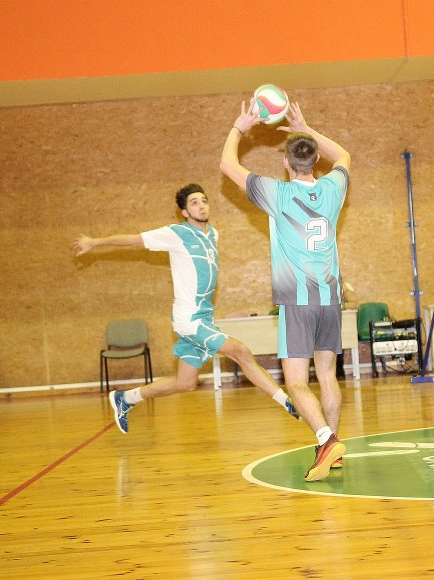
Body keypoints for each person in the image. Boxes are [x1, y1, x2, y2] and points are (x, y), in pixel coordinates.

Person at [73, 184, 299, 434]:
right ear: (184, 212)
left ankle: (126, 398)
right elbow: (134, 239)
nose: (201, 206)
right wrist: (95, 242)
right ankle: (288, 401)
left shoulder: (213, 235)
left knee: (185, 383)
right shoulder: (177, 233)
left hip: (204, 317)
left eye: (204, 200)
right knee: (240, 351)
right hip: (189, 319)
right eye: (194, 203)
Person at [220, 101, 349, 482]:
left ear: (285, 164)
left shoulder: (276, 192)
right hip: (331, 298)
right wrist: (306, 128)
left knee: (295, 381)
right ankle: (334, 448)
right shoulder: (333, 187)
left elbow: (227, 165)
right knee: (327, 374)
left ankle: (326, 440)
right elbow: (344, 155)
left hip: (298, 302)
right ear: (316, 161)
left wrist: (239, 127)